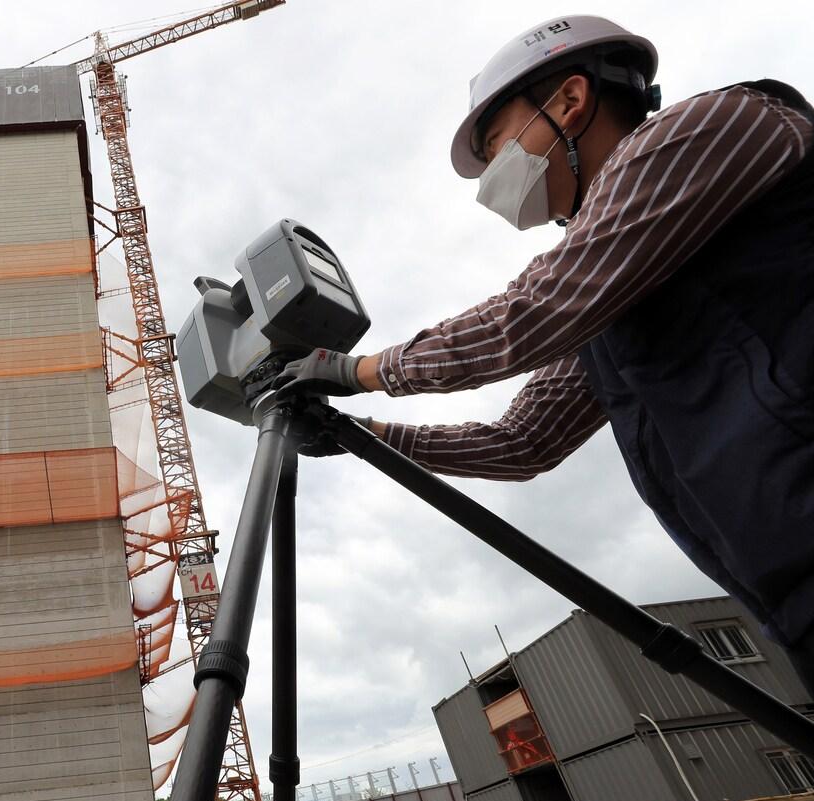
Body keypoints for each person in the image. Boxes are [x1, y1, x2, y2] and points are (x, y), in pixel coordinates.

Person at [273, 16, 814, 689]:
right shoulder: (615, 297)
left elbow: (533, 313)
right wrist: (368, 436)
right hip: (788, 588)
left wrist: (356, 371)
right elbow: (523, 440)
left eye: (499, 145)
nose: (495, 176)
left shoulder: (714, 128)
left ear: (569, 101)